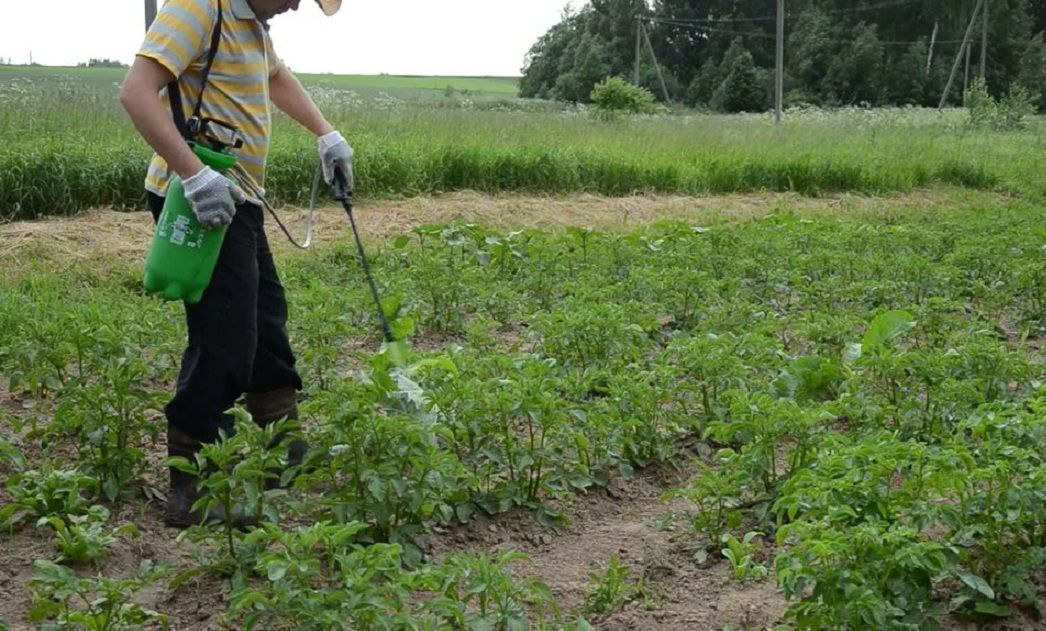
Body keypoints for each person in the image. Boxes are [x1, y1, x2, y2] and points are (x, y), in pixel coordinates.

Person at [119, 0, 353, 528]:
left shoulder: (252, 24)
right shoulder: (200, 6)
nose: (297, 4)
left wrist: (326, 132)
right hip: (198, 197)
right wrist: (194, 174)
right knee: (225, 337)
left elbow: (276, 76)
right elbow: (136, 92)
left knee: (266, 319)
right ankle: (193, 485)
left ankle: (284, 448)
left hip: (237, 198)